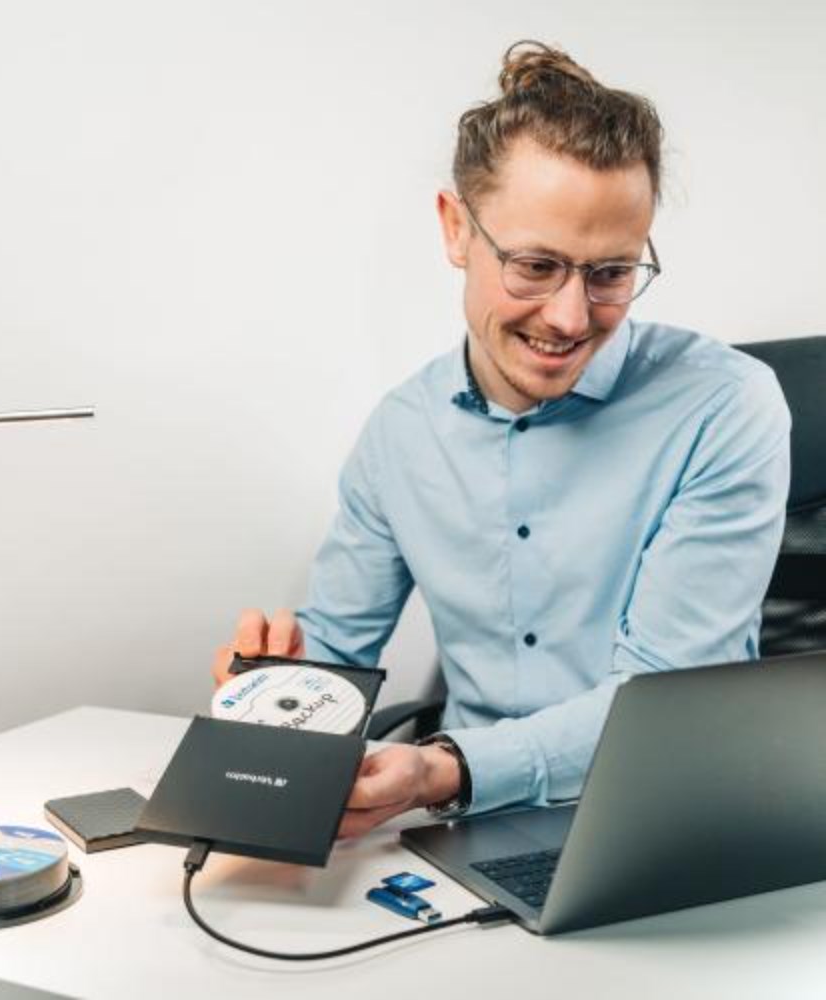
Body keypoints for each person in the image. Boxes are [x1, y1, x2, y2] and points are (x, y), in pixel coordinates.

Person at [211, 40, 790, 839]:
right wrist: (277, 692)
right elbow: (335, 656)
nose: (570, 317)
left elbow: (664, 705)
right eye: (536, 265)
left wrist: (445, 770)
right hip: (464, 831)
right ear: (456, 229)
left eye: (611, 273)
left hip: (668, 826)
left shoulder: (724, 406)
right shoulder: (402, 433)